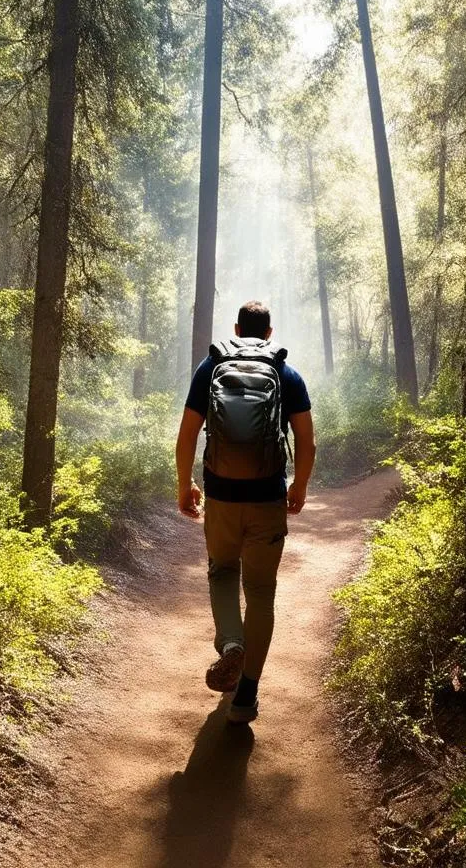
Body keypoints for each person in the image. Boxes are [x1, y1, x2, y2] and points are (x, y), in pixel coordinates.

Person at [175, 300, 316, 724]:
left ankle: (231, 644)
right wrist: (299, 487)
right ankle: (246, 697)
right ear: (269, 332)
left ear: (237, 328)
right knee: (260, 591)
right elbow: (307, 441)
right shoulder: (285, 372)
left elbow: (187, 435)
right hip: (267, 497)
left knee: (222, 571)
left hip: (221, 496)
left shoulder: (210, 366)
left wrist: (186, 485)